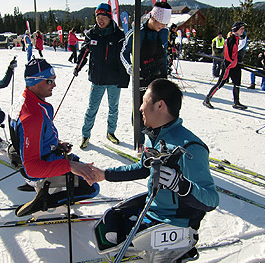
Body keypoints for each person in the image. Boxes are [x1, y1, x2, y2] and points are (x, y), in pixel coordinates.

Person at [92, 79, 219, 249]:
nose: (140, 108)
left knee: (114, 238)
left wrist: (182, 186)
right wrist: (105, 174)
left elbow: (211, 200)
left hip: (173, 224)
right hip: (152, 211)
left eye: (144, 102)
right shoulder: (157, 137)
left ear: (160, 105)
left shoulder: (190, 148)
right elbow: (143, 168)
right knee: (110, 218)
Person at [8, 58, 99, 217]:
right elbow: (32, 168)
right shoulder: (32, 116)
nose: (54, 85)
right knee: (92, 187)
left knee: (78, 163)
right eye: (49, 81)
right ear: (34, 82)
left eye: (54, 80)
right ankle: (45, 201)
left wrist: (56, 144)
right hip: (41, 162)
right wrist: (69, 166)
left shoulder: (31, 101)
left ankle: (52, 189)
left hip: (44, 153)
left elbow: (39, 134)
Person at [74, 3, 130, 149]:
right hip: (97, 80)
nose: (100, 20)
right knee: (92, 108)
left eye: (103, 16)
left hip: (114, 80)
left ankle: (110, 132)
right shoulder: (92, 34)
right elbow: (84, 53)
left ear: (109, 17)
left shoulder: (119, 35)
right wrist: (77, 67)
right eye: (98, 17)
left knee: (114, 108)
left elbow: (125, 55)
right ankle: (85, 135)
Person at [121, 1, 171, 154]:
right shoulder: (136, 33)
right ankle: (140, 144)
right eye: (160, 23)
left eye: (165, 23)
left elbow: (163, 52)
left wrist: (165, 70)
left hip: (159, 76)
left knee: (161, 110)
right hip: (142, 77)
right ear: (152, 17)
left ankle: (157, 143)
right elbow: (123, 53)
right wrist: (129, 67)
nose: (162, 26)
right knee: (141, 111)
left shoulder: (163, 32)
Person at [203, 22, 248, 110]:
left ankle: (236, 102)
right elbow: (228, 55)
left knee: (237, 83)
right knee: (220, 83)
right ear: (236, 29)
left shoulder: (236, 38)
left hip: (235, 65)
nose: (243, 30)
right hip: (228, 66)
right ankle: (207, 99)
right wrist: (231, 63)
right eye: (241, 29)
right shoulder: (231, 40)